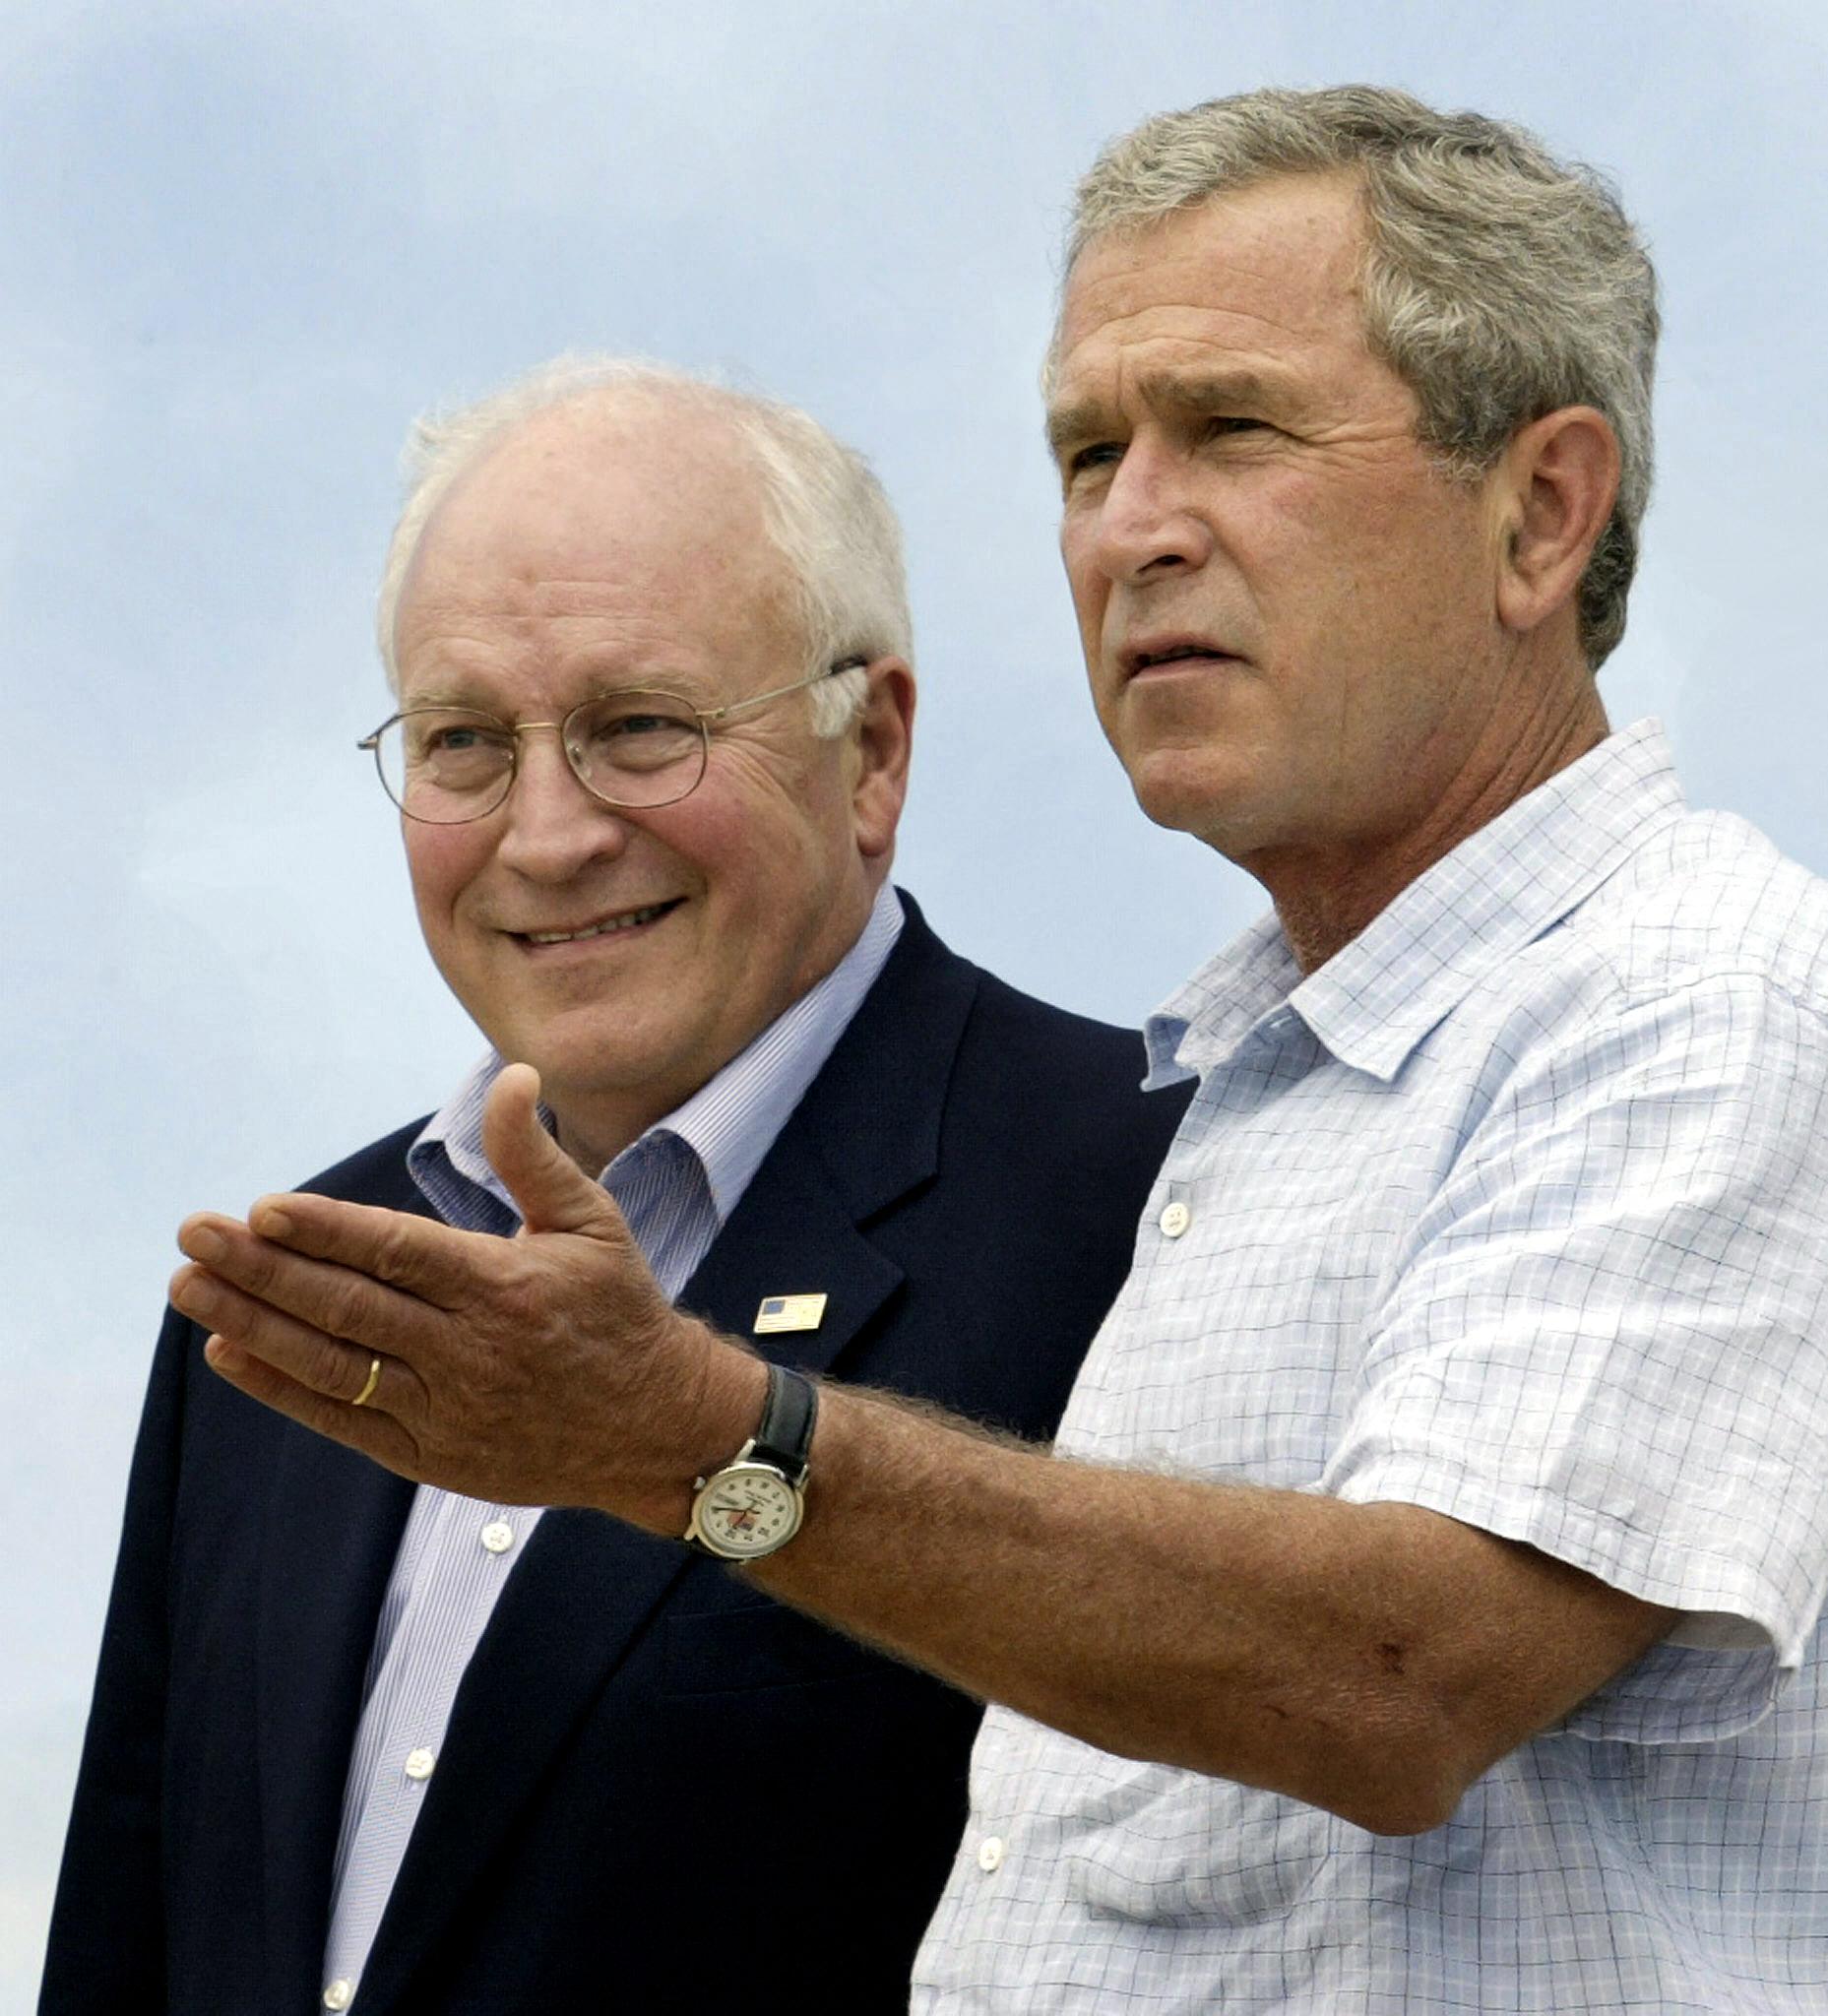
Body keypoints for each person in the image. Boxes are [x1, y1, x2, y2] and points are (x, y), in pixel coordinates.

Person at [141, 86, 1828, 2012]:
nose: (1130, 530)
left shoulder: (1703, 988)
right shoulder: (1250, 1092)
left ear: (1537, 509)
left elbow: (1395, 1681)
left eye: (1231, 431)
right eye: (1085, 452)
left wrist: (698, 1440)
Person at [38, 358, 1190, 2015]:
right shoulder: (293, 1299)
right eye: (462, 745)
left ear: (869, 748)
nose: (548, 832)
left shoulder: (1143, 1203)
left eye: (638, 729)